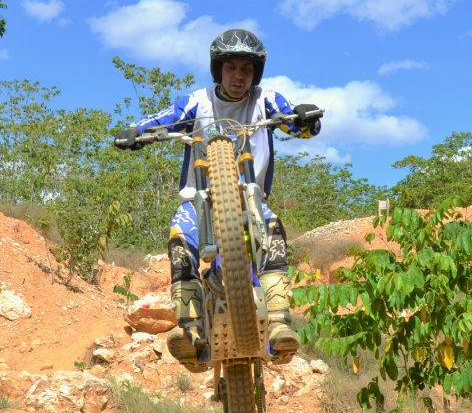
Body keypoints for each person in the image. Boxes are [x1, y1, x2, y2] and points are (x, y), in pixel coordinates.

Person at [114, 29, 322, 371]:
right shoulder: (198, 100)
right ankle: (190, 329)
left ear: (256, 73)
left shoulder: (266, 100)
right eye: (231, 68)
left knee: (273, 232)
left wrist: (305, 117)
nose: (239, 76)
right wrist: (136, 132)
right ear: (218, 70)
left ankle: (279, 322)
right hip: (198, 200)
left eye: (246, 69)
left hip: (251, 196)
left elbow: (300, 127)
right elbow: (163, 119)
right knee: (180, 241)